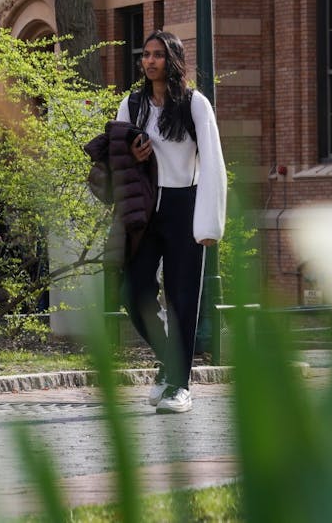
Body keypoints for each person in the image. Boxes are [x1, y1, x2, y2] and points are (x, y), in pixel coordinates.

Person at [116, 30, 226, 415]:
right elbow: (116, 158)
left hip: (186, 205)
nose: (149, 61)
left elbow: (213, 162)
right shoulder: (131, 104)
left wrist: (209, 224)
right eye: (145, 54)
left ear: (173, 60)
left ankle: (180, 385)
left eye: (158, 55)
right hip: (145, 208)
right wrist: (132, 151)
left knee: (182, 298)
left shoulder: (195, 104)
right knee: (133, 291)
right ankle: (169, 360)